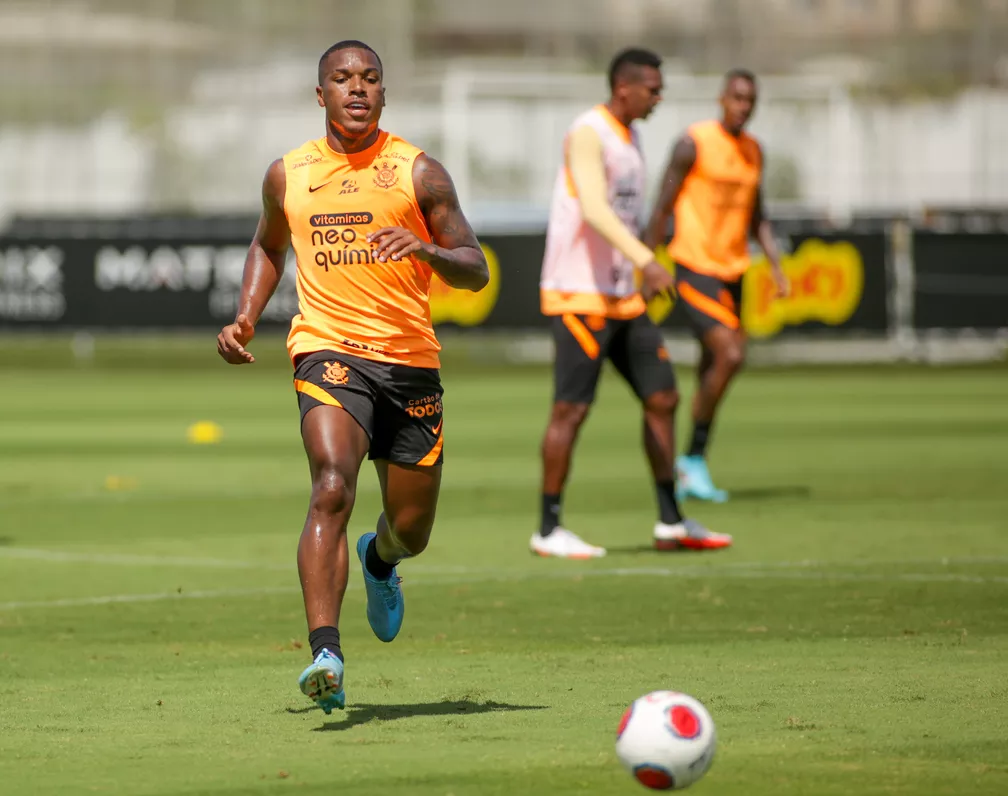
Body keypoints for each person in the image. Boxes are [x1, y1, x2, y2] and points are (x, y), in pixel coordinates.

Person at [216, 40, 489, 714]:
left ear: (384, 94)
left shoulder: (419, 173)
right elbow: (268, 244)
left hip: (411, 365)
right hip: (329, 351)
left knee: (412, 529)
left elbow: (474, 266)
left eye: (369, 78)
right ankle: (326, 654)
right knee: (331, 484)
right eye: (341, 79)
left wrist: (427, 247)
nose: (356, 89)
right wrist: (247, 315)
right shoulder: (289, 175)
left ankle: (380, 560)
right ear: (321, 95)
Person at [530, 48, 733, 559]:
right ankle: (548, 529)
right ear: (625, 88)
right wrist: (649, 259)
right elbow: (595, 209)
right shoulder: (587, 132)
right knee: (571, 410)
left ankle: (670, 520)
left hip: (623, 296)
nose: (659, 97)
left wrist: (636, 268)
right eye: (653, 88)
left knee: (663, 397)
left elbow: (625, 216)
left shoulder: (633, 137)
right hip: (579, 293)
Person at [643, 69, 788, 503]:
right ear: (722, 99)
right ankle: (691, 460)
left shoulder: (753, 151)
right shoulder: (693, 143)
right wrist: (648, 261)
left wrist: (776, 264)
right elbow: (662, 205)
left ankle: (691, 464)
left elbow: (757, 213)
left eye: (751, 101)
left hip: (734, 270)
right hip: (694, 266)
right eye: (737, 98)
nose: (744, 107)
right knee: (732, 353)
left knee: (714, 362)